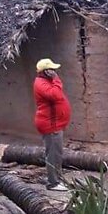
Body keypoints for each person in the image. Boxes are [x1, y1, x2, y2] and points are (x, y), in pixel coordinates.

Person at [33, 58, 72, 191]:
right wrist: (56, 79)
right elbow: (55, 95)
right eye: (52, 70)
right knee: (53, 154)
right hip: (50, 125)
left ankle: (57, 178)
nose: (55, 72)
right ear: (46, 72)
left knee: (56, 152)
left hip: (54, 123)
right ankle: (53, 183)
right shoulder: (41, 83)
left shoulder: (46, 81)